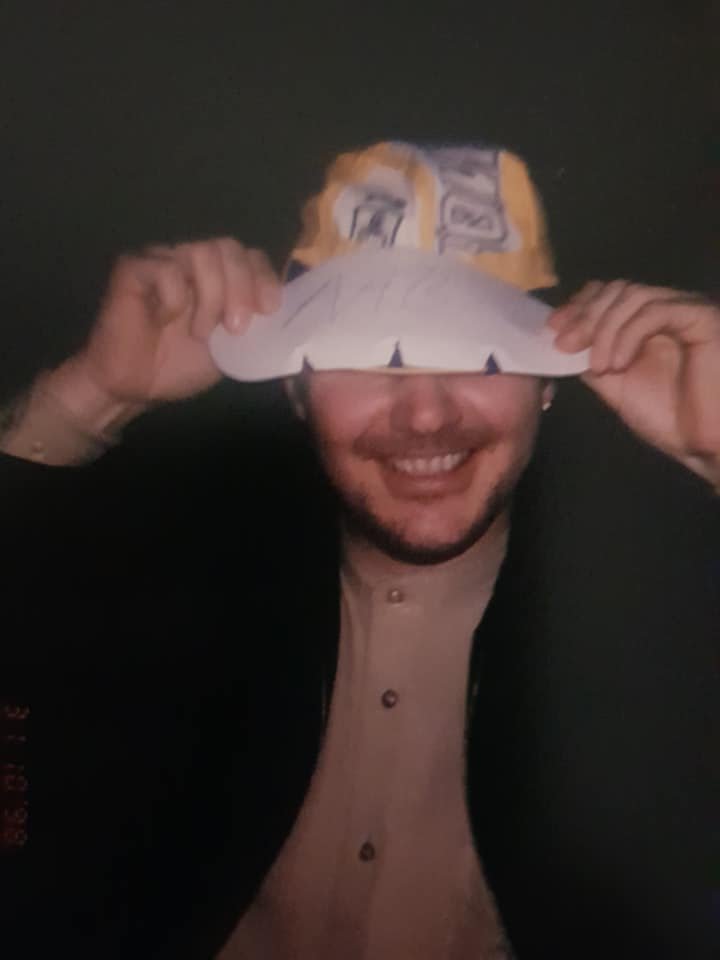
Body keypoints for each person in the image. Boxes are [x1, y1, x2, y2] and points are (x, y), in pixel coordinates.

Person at [1, 142, 719, 960]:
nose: (425, 415)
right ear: (293, 389)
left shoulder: (661, 619)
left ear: (548, 381)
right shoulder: (181, 569)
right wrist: (91, 396)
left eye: (480, 353)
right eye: (366, 358)